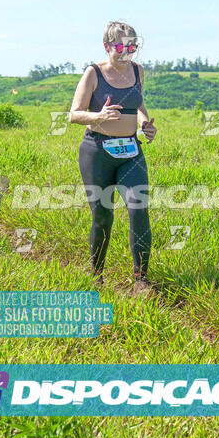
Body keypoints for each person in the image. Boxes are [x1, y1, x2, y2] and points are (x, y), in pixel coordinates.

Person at [69, 21, 157, 295]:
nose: (126, 51)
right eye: (120, 46)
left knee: (138, 209)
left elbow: (137, 103)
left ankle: (141, 280)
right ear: (107, 46)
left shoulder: (137, 70)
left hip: (130, 151)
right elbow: (74, 113)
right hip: (97, 151)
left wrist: (144, 123)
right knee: (103, 216)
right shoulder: (94, 73)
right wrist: (98, 117)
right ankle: (96, 274)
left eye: (132, 46)